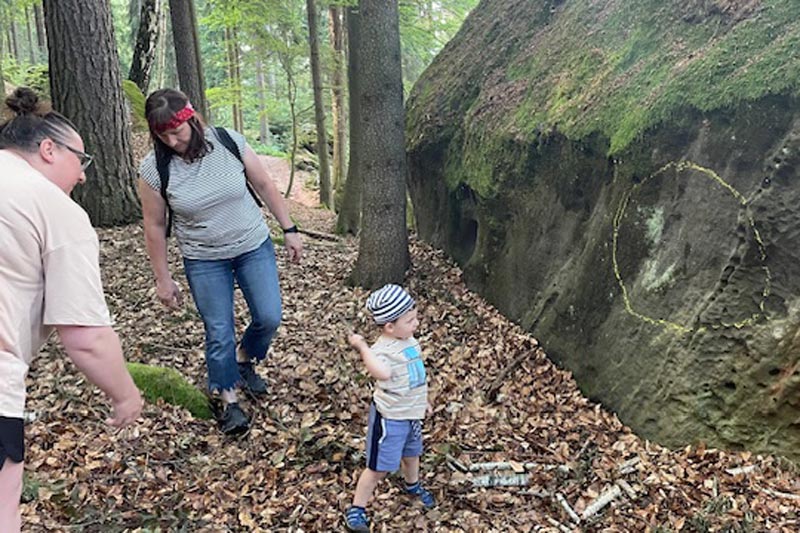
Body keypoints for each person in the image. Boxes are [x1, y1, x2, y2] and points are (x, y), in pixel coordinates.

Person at [0, 88, 143, 531]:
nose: (82, 176)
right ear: (48, 149)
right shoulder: (52, 207)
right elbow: (84, 334)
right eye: (80, 160)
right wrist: (125, 395)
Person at [138, 89, 302, 436]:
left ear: (192, 120)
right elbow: (153, 226)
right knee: (218, 329)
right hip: (203, 257)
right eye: (162, 135)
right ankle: (228, 400)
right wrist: (162, 279)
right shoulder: (154, 170)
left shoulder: (228, 142)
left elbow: (264, 184)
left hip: (251, 245)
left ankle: (244, 360)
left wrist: (289, 228)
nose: (172, 140)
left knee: (269, 316)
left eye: (177, 131)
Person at [344, 284, 436, 532]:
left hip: (411, 414)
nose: (416, 323)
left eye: (415, 317)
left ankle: (412, 484)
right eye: (410, 320)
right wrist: (363, 347)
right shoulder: (382, 350)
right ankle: (357, 508)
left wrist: (422, 401)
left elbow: (414, 377)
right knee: (378, 467)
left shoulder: (408, 340)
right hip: (390, 418)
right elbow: (382, 373)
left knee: (412, 453)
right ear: (389, 327)